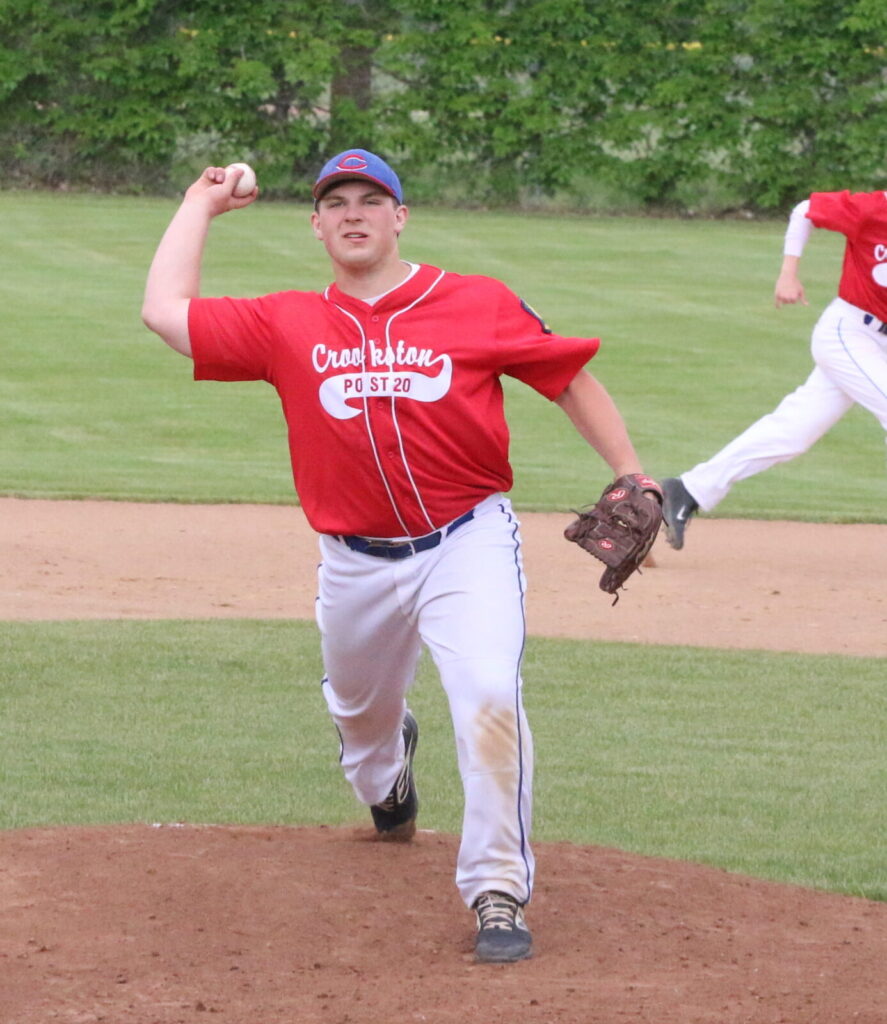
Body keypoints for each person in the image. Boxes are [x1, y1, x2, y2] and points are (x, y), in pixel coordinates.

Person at [142, 148, 656, 963]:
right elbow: (166, 313)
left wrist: (629, 472)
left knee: (490, 695)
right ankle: (387, 780)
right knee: (358, 718)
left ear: (399, 217)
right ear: (315, 225)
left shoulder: (474, 302)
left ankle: (496, 887)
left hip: (467, 541)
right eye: (336, 201)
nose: (354, 212)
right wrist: (198, 204)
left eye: (371, 200)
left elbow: (566, 379)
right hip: (352, 560)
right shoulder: (286, 322)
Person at [662, 188, 887, 549]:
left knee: (792, 434)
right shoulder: (872, 209)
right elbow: (804, 211)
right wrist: (788, 273)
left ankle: (688, 489)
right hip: (849, 334)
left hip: (876, 345)